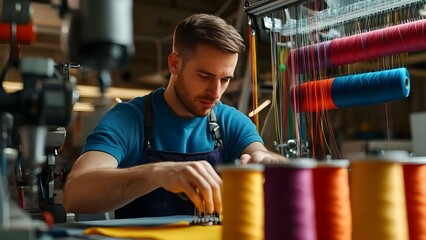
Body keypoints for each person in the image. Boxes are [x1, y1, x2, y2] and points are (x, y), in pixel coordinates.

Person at [63, 13, 284, 219]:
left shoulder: (231, 122)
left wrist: (272, 164)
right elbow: (74, 193)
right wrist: (158, 173)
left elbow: (263, 157)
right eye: (205, 76)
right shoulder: (128, 120)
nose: (216, 92)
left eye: (225, 79)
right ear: (175, 64)